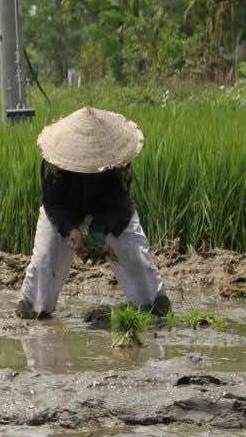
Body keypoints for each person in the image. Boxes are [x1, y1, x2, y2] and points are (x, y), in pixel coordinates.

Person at [16, 106, 171, 319]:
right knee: (44, 258)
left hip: (109, 211)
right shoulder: (54, 164)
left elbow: (119, 204)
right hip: (65, 210)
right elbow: (53, 202)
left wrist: (96, 233)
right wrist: (71, 229)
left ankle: (154, 306)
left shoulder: (118, 164)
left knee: (135, 255)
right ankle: (33, 309)